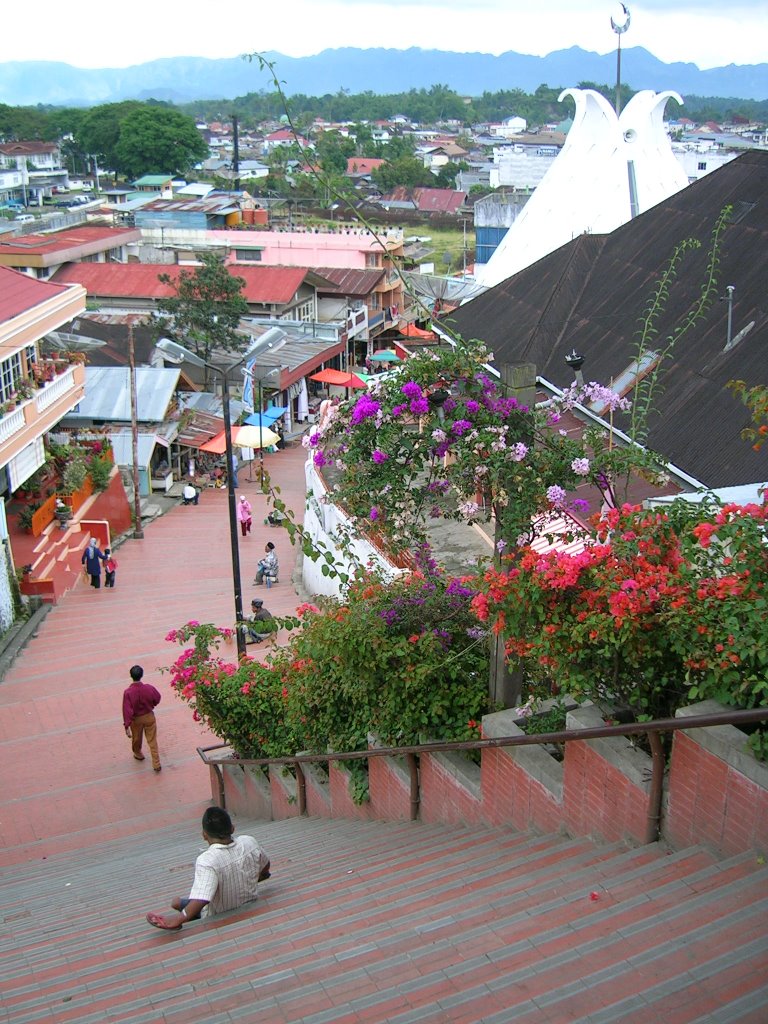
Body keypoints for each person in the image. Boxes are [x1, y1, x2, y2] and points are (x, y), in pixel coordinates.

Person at [145, 806, 270, 931]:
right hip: (250, 901)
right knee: (178, 903)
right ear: (232, 828)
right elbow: (266, 865)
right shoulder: (250, 842)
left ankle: (188, 913)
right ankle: (185, 909)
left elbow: (202, 899)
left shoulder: (207, 860)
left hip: (217, 913)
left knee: (176, 902)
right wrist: (258, 876)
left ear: (204, 835)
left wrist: (178, 919)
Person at [122, 665, 162, 772]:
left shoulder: (128, 692)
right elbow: (157, 698)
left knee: (136, 738)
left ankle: (138, 753)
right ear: (142, 675)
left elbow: (127, 710)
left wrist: (127, 725)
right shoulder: (149, 688)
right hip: (149, 716)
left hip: (136, 719)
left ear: (131, 676)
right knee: (152, 740)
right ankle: (156, 763)